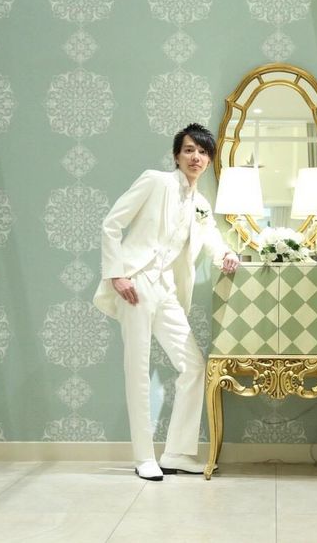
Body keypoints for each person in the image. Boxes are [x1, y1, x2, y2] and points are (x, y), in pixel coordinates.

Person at [93, 123, 239, 481]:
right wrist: (117, 274)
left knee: (194, 366)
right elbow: (112, 223)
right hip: (137, 282)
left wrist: (226, 255)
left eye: (202, 152)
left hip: (167, 289)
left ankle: (176, 453)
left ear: (209, 161)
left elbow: (212, 239)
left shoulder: (201, 205)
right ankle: (144, 457)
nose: (196, 157)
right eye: (189, 150)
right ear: (177, 155)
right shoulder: (155, 181)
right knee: (138, 368)